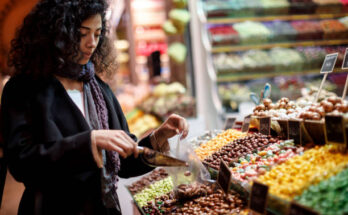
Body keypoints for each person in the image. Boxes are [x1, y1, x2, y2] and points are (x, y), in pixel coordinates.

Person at [1, 0, 189, 214]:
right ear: (56, 33)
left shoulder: (99, 89)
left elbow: (124, 163)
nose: (91, 43)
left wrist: (159, 137)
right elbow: (21, 163)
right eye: (82, 33)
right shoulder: (23, 89)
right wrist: (87, 142)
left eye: (98, 34)